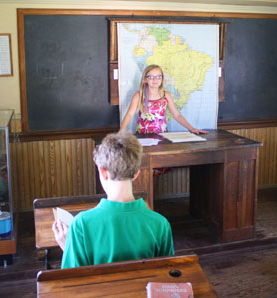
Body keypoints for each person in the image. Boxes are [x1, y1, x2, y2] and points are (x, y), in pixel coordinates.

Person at [52, 131, 174, 268]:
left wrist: (68, 247)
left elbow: (73, 282)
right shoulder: (160, 224)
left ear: (102, 172)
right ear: (136, 173)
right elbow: (166, 279)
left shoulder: (81, 225)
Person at [119, 64, 208, 134]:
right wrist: (121, 131)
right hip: (143, 135)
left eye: (158, 76)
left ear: (162, 79)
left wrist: (191, 128)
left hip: (163, 135)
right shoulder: (139, 95)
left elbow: (177, 115)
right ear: (145, 79)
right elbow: (130, 114)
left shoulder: (166, 95)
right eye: (151, 77)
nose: (155, 79)